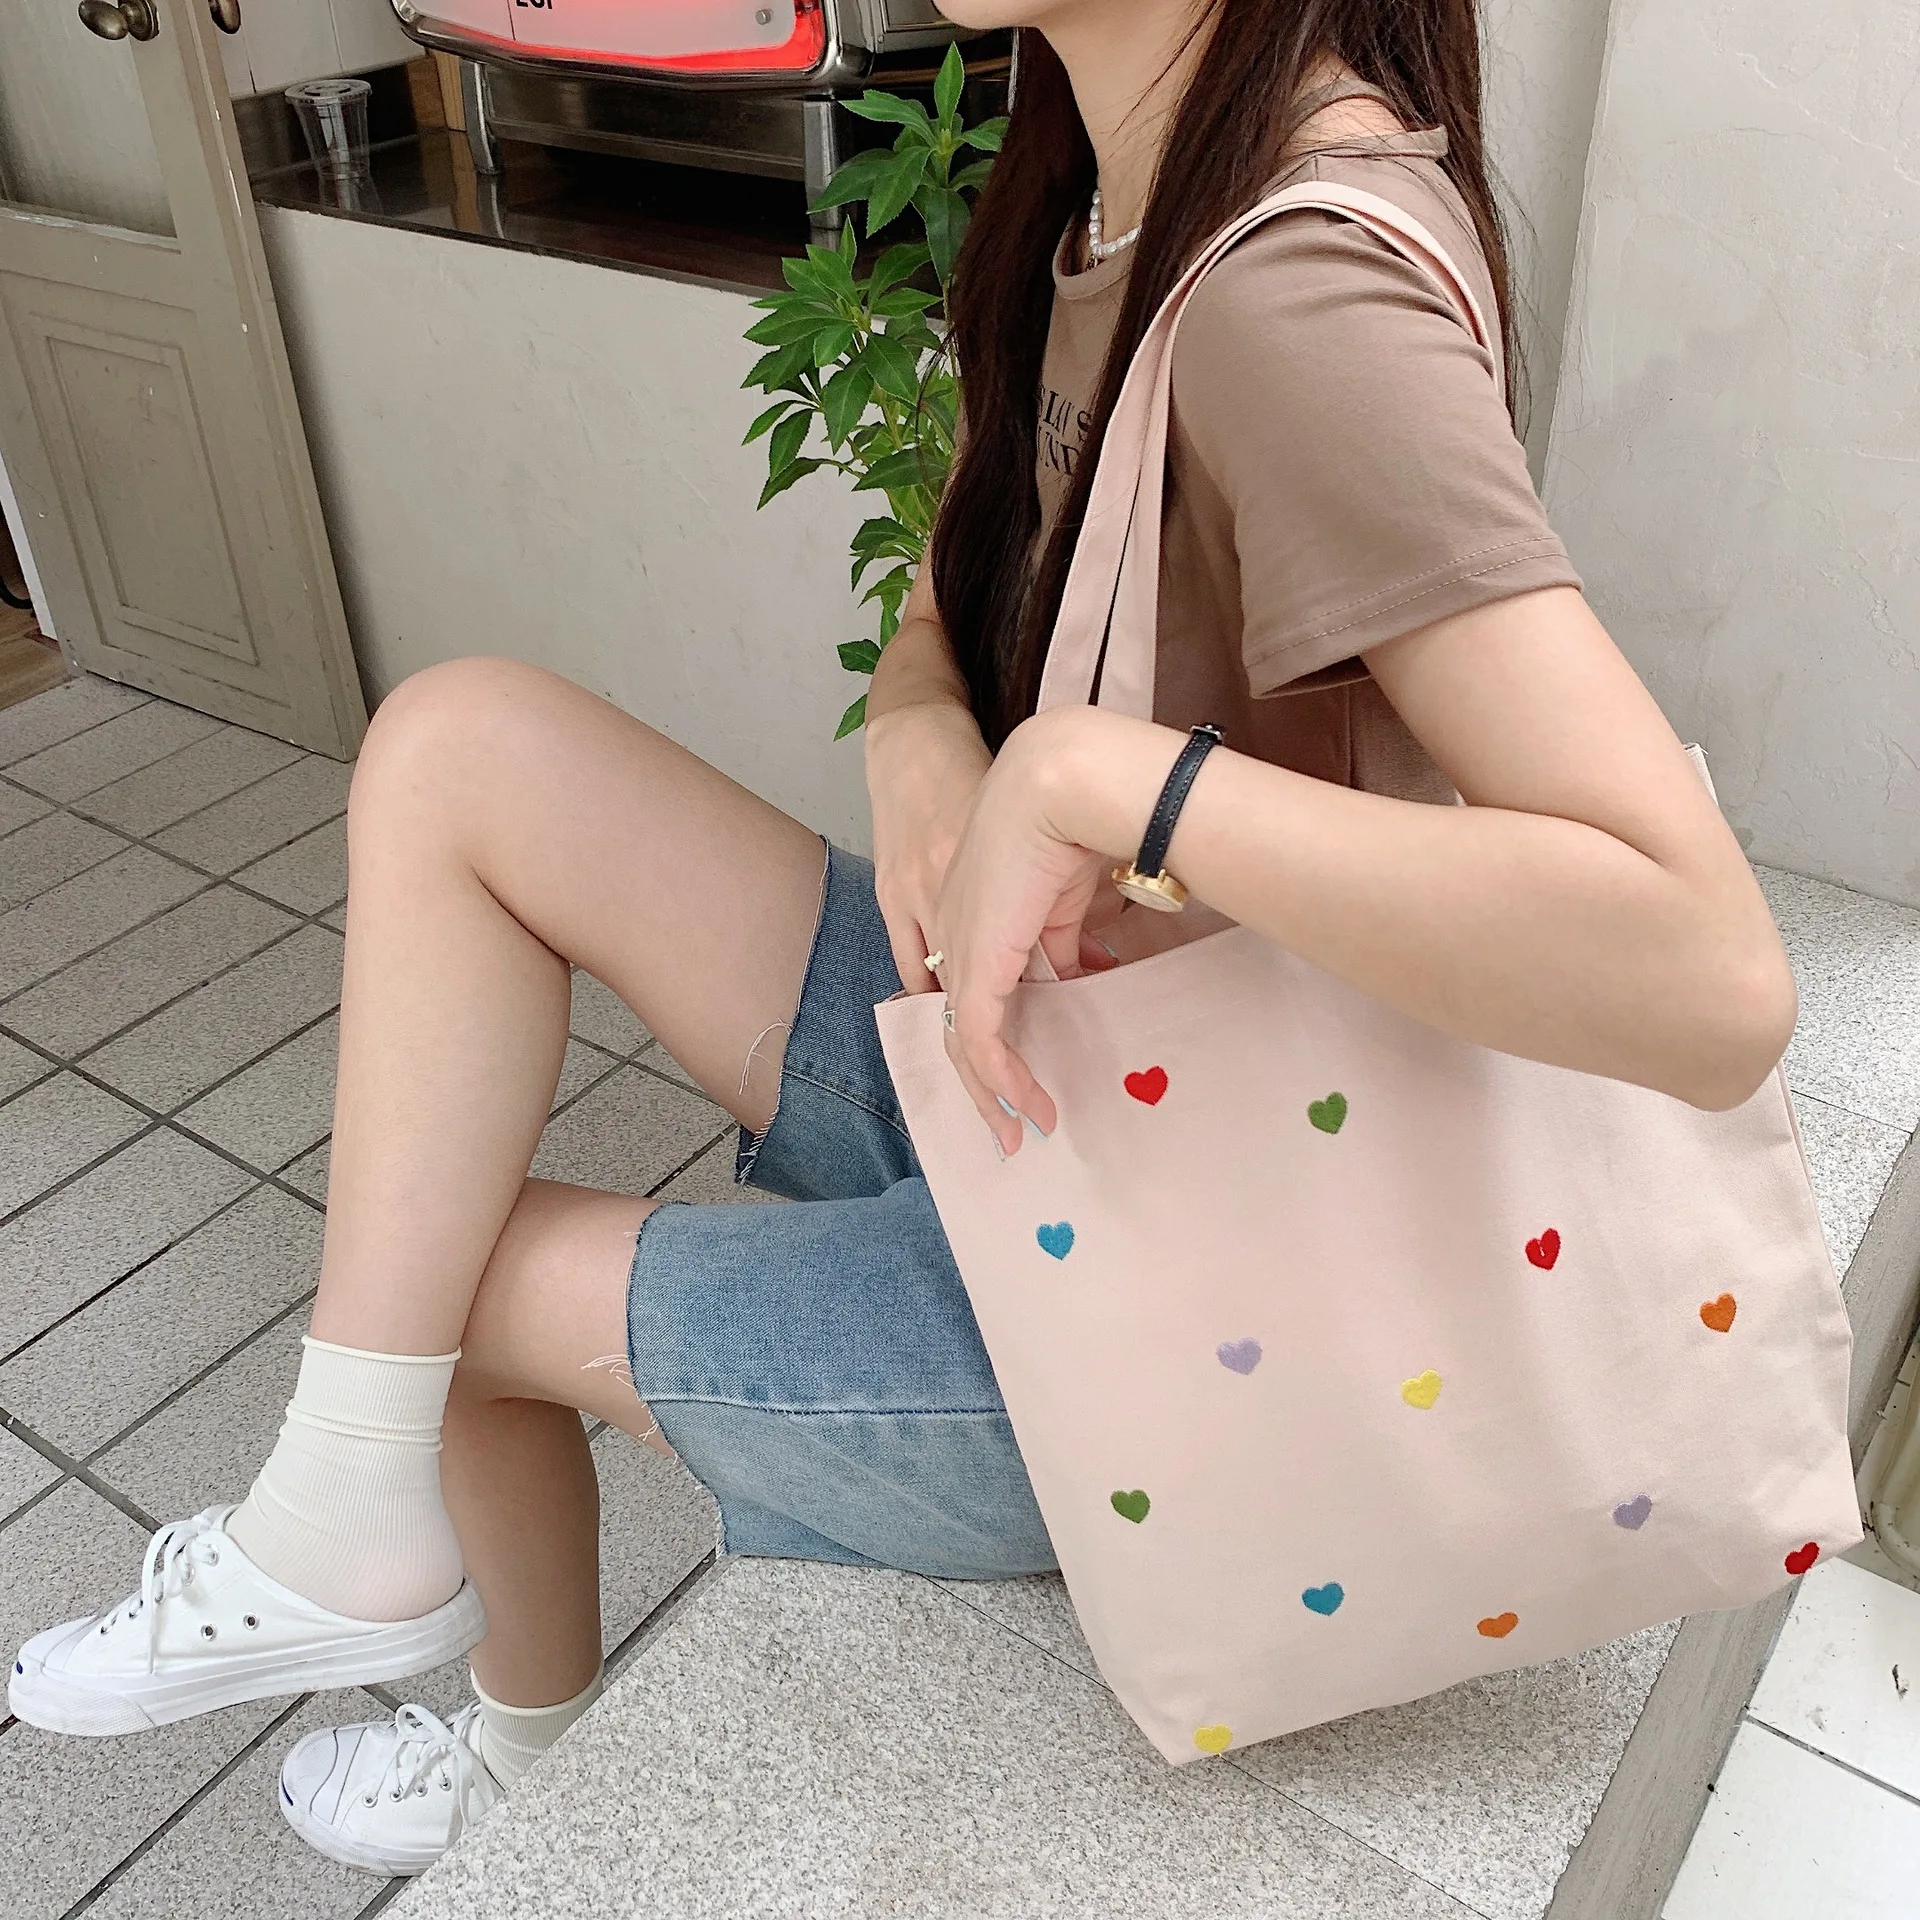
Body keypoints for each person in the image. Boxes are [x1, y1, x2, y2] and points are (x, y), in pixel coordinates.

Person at [10, 0, 1797, 1878]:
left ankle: (517, 1747)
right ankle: (351, 1524)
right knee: (460, 751)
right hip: (1076, 1078)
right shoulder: (1102, 181)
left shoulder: (1296, 296)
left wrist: (1106, 779)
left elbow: (1709, 976)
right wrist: (928, 730)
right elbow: (955, 591)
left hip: (1192, 1299)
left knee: (431, 1283)